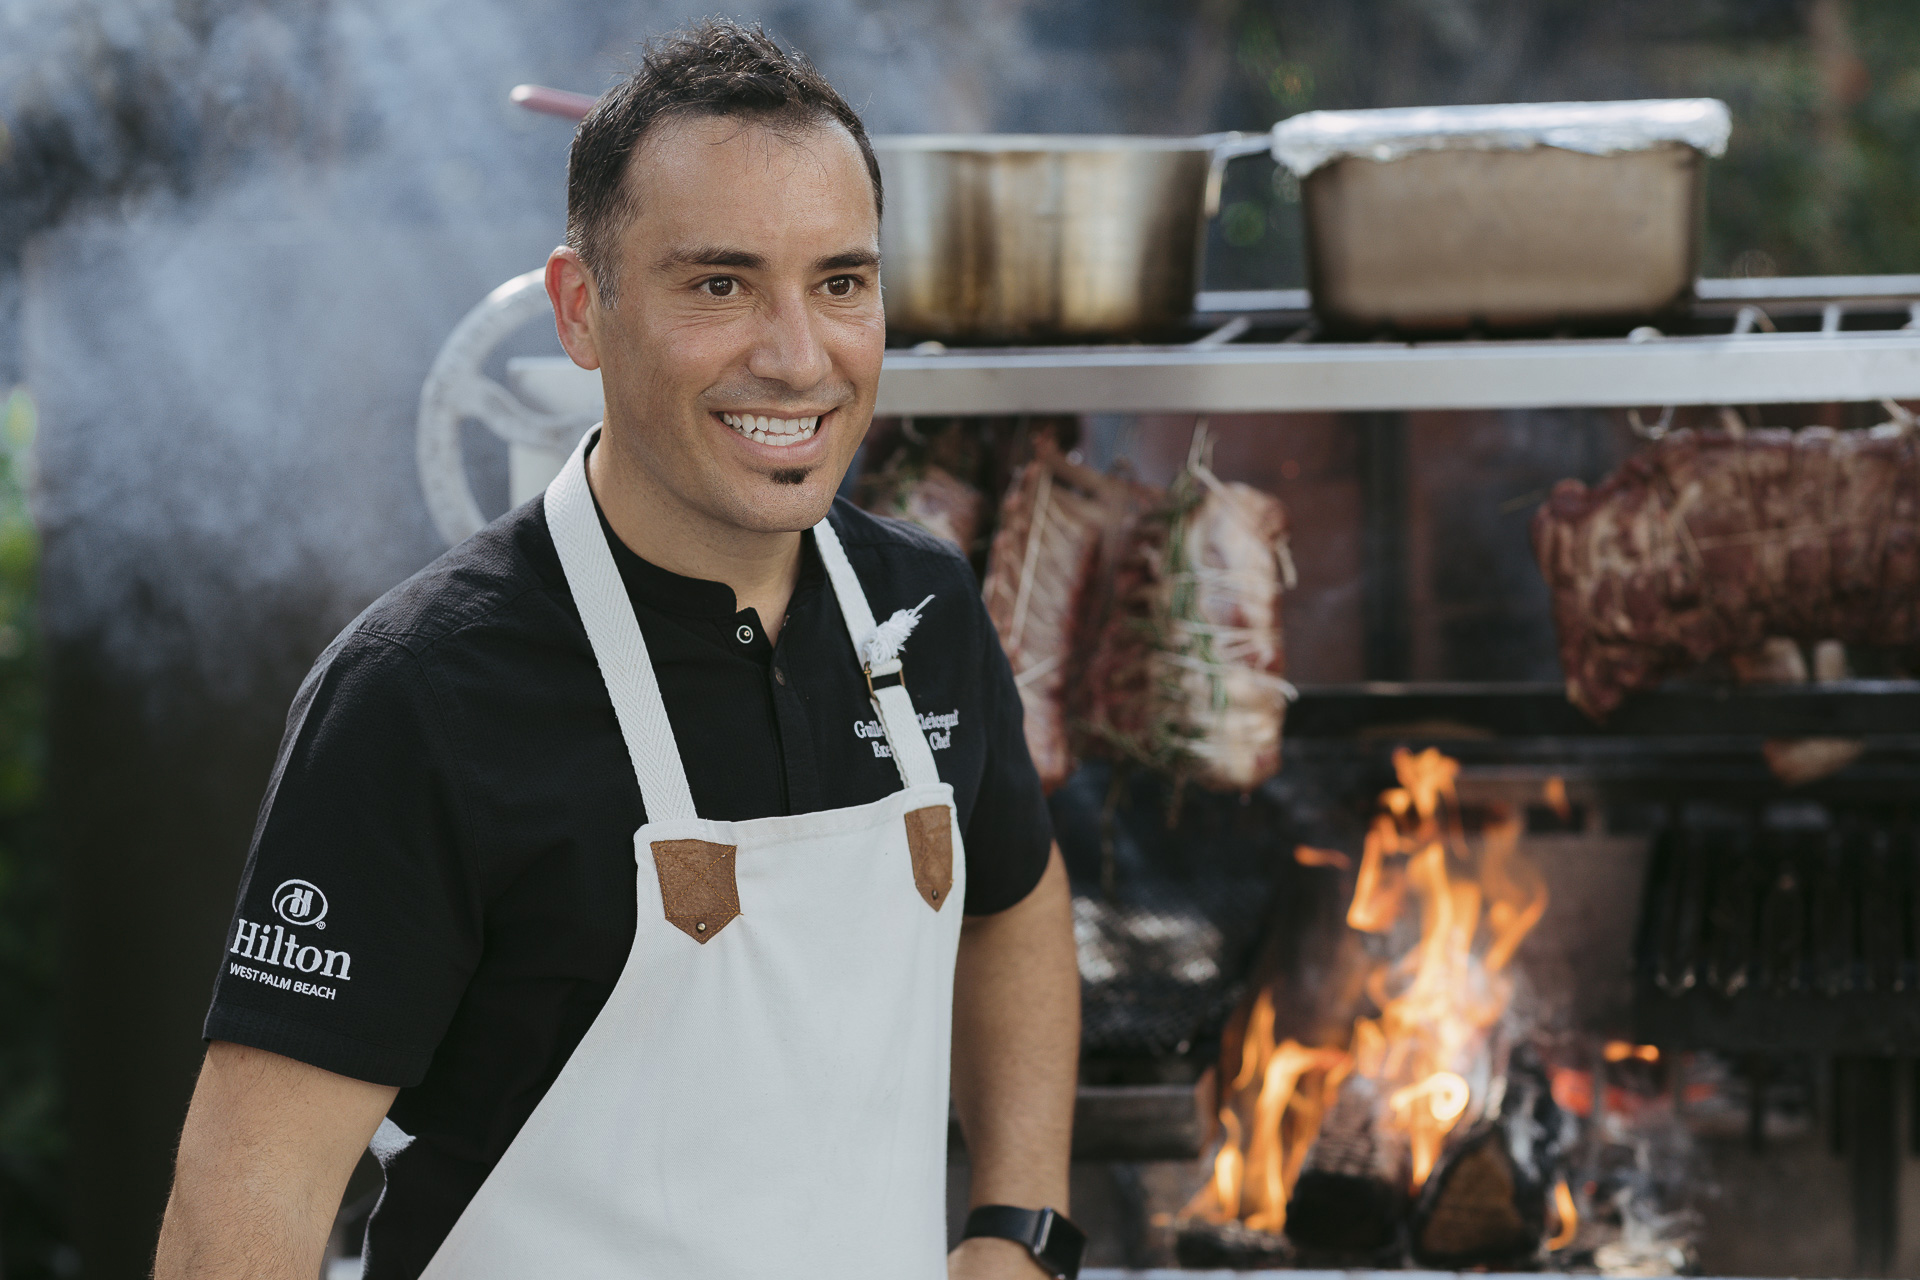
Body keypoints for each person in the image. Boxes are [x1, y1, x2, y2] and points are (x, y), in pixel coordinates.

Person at [153, 20, 1081, 1280]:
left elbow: (1015, 897)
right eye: (719, 283)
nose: (799, 356)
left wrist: (1015, 1227)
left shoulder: (924, 609)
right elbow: (232, 1234)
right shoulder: (420, 695)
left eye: (840, 282)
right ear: (583, 310)